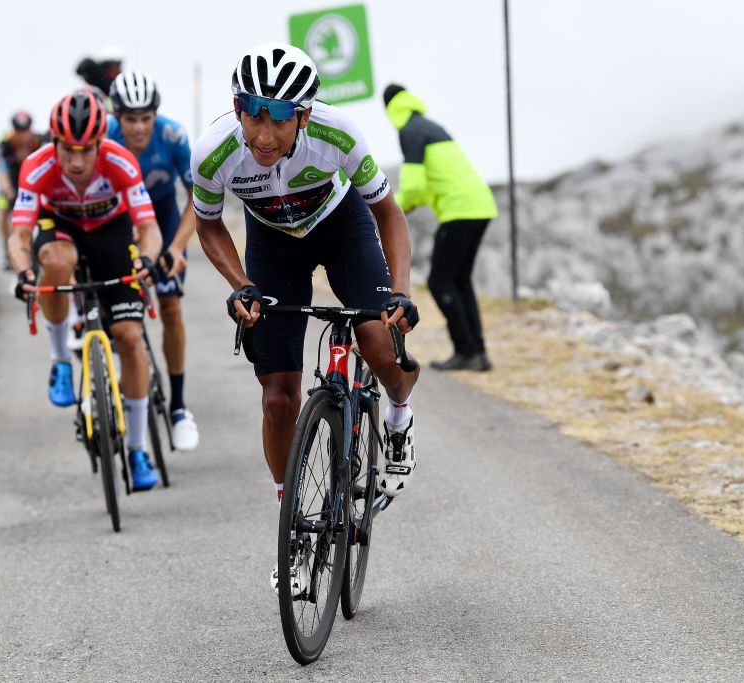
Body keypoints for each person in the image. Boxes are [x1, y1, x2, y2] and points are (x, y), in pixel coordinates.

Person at [191, 44, 421, 595]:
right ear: (237, 107)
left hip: (342, 229)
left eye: (279, 118)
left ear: (305, 115)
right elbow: (209, 224)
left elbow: (388, 211)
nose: (264, 135)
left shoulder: (338, 136)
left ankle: (399, 416)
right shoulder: (214, 151)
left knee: (379, 343)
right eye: (253, 114)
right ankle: (290, 528)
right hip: (273, 246)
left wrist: (401, 293)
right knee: (277, 396)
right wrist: (239, 283)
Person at [8, 91, 164, 490]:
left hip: (110, 233)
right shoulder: (37, 166)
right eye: (67, 150)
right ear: (54, 142)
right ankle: (60, 360)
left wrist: (146, 261)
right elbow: (20, 234)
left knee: (130, 340)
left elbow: (148, 229)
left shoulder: (120, 161)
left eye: (86, 150)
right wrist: (25, 270)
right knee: (56, 265)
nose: (76, 161)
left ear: (100, 143)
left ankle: (137, 449)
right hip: (60, 229)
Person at [108, 70, 199, 451]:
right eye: (131, 119)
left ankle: (179, 408)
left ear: (155, 115)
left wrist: (176, 247)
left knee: (171, 305)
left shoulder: (174, 136)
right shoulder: (104, 140)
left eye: (146, 118)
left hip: (162, 216)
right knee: (117, 310)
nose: (140, 127)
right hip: (119, 218)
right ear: (118, 118)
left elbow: (200, 199)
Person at [383, 84, 497, 372]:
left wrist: (391, 210)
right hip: (480, 205)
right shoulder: (429, 125)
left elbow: (415, 186)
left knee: (440, 281)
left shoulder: (409, 131)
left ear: (389, 108)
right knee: (459, 280)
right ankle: (477, 353)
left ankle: (466, 351)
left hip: (460, 210)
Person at [0, 111, 46, 270]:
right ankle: (8, 251)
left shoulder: (39, 140)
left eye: (26, 130)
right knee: (6, 212)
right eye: (19, 131)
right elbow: (3, 170)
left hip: (34, 178)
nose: (23, 135)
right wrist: (8, 189)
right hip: (13, 179)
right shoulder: (7, 143)